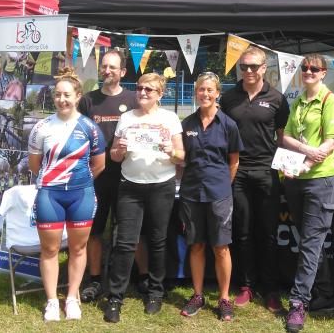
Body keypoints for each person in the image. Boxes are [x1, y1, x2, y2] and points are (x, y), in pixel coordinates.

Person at [27, 67, 106, 322]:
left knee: (78, 248)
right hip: (50, 194)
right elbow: (34, 165)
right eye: (58, 95)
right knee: (49, 250)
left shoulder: (90, 127)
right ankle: (52, 301)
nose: (62, 99)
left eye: (67, 95)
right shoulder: (41, 127)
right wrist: (55, 181)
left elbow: (99, 164)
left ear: (77, 96)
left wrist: (79, 183)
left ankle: (72, 297)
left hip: (80, 194)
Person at [104, 73, 184, 323]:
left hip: (162, 186)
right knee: (126, 243)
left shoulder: (170, 118)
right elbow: (114, 156)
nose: (143, 93)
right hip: (130, 186)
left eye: (149, 90)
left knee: (158, 240)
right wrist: (120, 150)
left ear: (160, 94)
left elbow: (182, 155)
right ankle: (115, 297)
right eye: (139, 89)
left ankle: (155, 292)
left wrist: (173, 151)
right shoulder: (126, 118)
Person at [219, 45, 289, 312]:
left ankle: (271, 289)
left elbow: (281, 138)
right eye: (243, 66)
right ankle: (246, 285)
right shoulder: (228, 97)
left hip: (267, 171)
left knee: (268, 232)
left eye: (253, 66)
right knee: (243, 231)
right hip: (238, 171)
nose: (247, 71)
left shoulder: (277, 98)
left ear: (264, 68)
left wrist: (288, 166)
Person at [76, 50, 145, 303]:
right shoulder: (87, 101)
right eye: (104, 66)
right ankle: (94, 279)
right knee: (94, 232)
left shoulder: (134, 99)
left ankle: (142, 277)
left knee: (131, 231)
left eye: (113, 67)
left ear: (122, 72)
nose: (107, 71)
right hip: (94, 178)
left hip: (128, 177)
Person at [280, 54, 334, 333]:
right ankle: (325, 294)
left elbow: (331, 142)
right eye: (304, 68)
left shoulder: (330, 101)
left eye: (313, 69)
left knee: (310, 241)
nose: (308, 72)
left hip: (320, 179)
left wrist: (307, 162)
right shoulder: (299, 101)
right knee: (309, 240)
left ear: (323, 73)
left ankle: (298, 302)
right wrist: (306, 154)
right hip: (297, 176)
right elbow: (287, 137)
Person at [178, 72, 243, 321]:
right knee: (196, 245)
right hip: (191, 192)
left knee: (221, 247)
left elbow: (234, 161)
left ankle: (224, 298)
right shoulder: (187, 124)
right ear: (196, 93)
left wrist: (223, 186)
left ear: (217, 93)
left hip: (219, 194)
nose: (204, 94)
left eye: (209, 90)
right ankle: (197, 295)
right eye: (200, 90)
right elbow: (181, 157)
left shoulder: (228, 124)